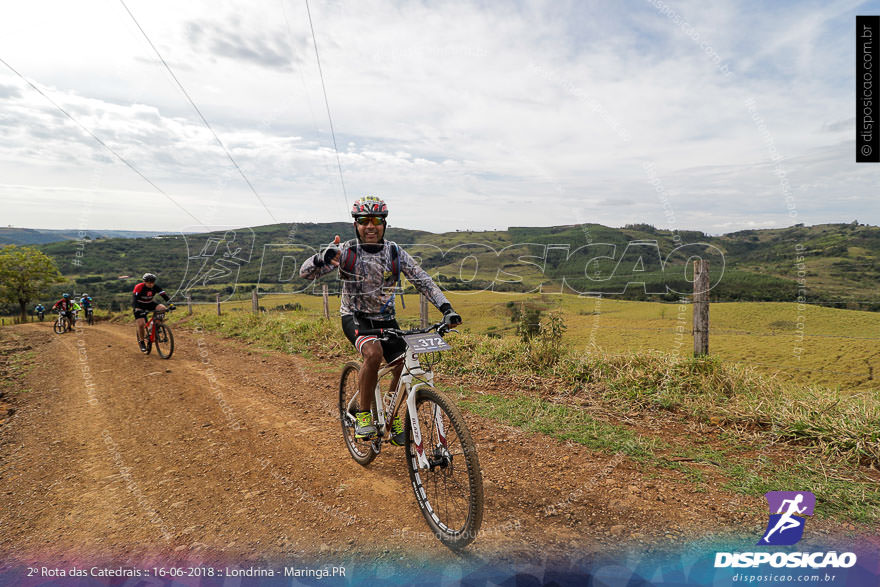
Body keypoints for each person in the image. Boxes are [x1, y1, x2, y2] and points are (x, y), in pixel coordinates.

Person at [299, 196, 462, 443]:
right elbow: (305, 274)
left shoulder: (394, 252)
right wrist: (321, 257)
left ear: (384, 223)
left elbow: (423, 280)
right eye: (364, 221)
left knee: (403, 364)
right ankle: (364, 416)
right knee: (373, 354)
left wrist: (446, 308)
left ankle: (392, 413)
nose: (370, 226)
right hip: (356, 318)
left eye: (376, 220)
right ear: (356, 224)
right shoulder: (346, 252)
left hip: (387, 320)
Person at [133, 273, 174, 353]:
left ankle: (155, 326)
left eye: (152, 282)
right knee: (141, 324)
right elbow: (134, 299)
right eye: (148, 282)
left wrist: (171, 304)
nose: (151, 284)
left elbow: (165, 296)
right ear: (144, 281)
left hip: (149, 303)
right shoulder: (139, 287)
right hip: (139, 305)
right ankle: (142, 342)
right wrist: (137, 309)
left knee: (162, 308)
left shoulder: (156, 287)